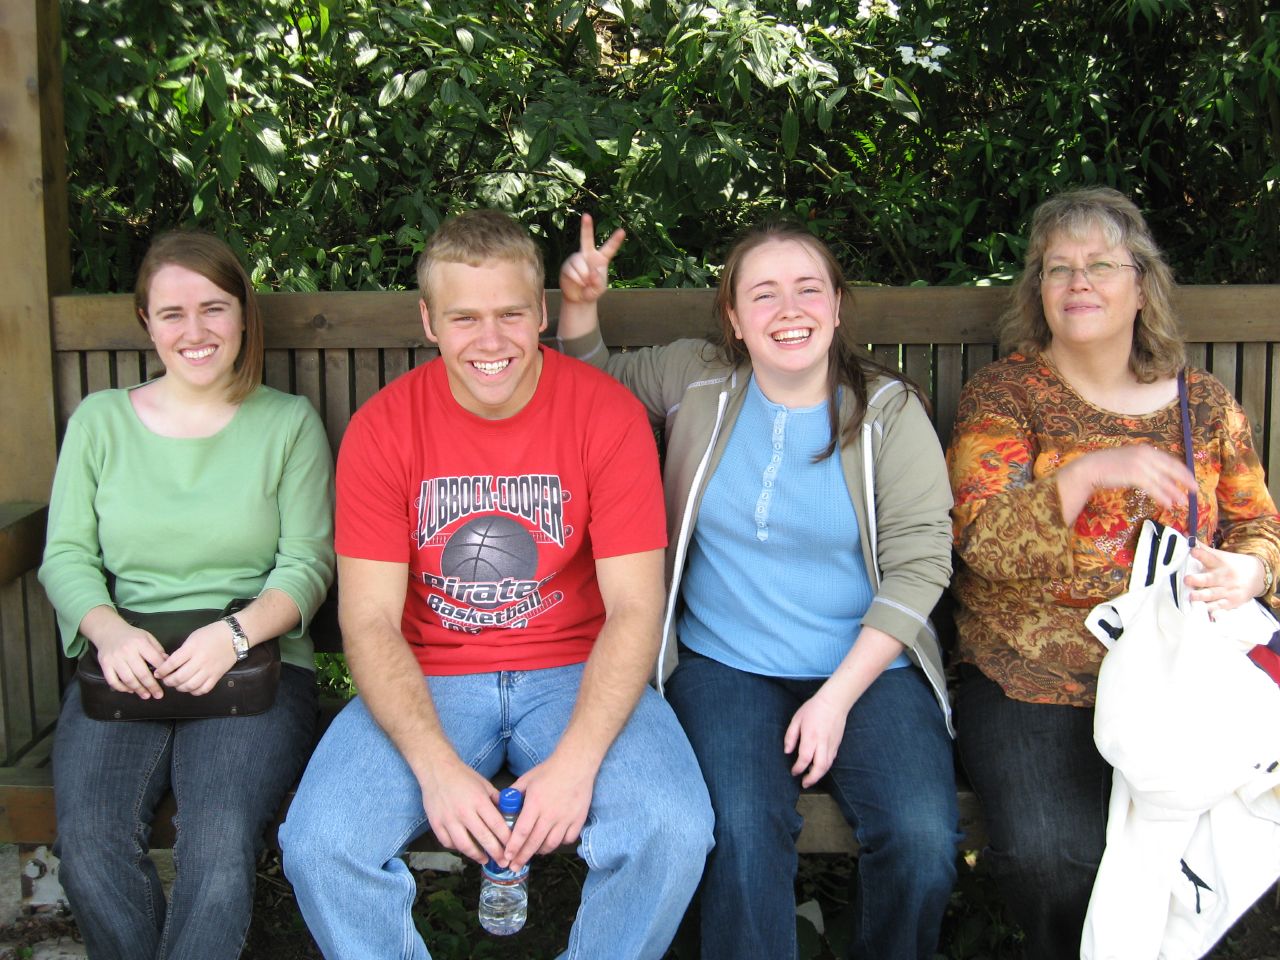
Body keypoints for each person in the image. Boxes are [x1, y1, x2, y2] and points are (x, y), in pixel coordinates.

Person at [279, 210, 713, 960]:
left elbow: (636, 608)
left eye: (512, 313)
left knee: (672, 830)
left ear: (543, 313)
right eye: (464, 317)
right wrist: (436, 770)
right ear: (428, 321)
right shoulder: (385, 428)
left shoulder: (604, 415)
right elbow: (370, 622)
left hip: (576, 671)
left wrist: (577, 764)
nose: (491, 340)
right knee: (320, 843)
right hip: (433, 676)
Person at [557, 217, 959, 960]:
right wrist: (579, 303)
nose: (789, 310)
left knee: (923, 837)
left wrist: (834, 699)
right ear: (735, 321)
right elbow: (591, 384)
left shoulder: (889, 413)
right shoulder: (696, 379)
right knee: (739, 831)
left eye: (809, 289)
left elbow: (922, 563)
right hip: (726, 663)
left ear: (838, 307)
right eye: (764, 295)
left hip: (869, 667)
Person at [945, 186, 1280, 960]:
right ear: (1038, 293)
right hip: (1037, 677)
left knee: (1205, 834)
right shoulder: (1006, 396)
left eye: (1099, 264)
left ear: (1142, 285)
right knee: (1051, 857)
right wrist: (1091, 470)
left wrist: (1248, 570)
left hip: (1181, 674)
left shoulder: (1202, 402)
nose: (1078, 281)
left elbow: (1258, 523)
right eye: (1056, 268)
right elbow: (984, 541)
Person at [38, 230, 336, 960]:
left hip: (254, 667)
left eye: (214, 308)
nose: (195, 331)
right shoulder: (101, 424)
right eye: (172, 313)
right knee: (90, 839)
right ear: (146, 322)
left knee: (217, 836)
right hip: (127, 663)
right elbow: (66, 556)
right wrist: (108, 631)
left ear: (242, 316)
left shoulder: (287, 424)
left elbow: (307, 563)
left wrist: (233, 634)